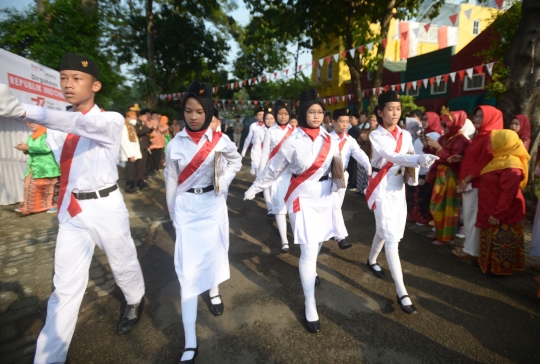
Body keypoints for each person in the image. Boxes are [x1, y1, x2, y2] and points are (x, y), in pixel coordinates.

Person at [0, 53, 145, 363]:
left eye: (76, 79)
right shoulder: (56, 125)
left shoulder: (111, 120)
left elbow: (76, 123)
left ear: (96, 85)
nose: (68, 84)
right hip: (72, 208)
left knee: (122, 261)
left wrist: (24, 109)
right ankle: (49, 358)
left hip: (106, 205)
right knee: (64, 287)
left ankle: (134, 299)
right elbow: (56, 141)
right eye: (63, 78)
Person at [245, 89, 340, 333]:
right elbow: (272, 170)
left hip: (324, 197)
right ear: (303, 113)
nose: (317, 116)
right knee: (308, 250)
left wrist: (342, 183)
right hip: (302, 198)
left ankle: (313, 274)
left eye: (320, 112)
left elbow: (338, 166)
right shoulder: (293, 141)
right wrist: (255, 188)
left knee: (318, 244)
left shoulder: (330, 139)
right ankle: (310, 303)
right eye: (312, 112)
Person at [164, 81, 241, 363]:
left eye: (199, 111)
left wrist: (223, 180)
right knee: (187, 271)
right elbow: (171, 182)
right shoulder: (174, 144)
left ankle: (214, 291)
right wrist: (174, 216)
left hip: (212, 205)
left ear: (208, 112)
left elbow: (235, 161)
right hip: (186, 209)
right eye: (188, 110)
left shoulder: (220, 140)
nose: (193, 116)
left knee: (214, 253)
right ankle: (190, 340)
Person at [365, 90, 438, 315]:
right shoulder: (376, 136)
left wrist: (414, 176)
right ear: (380, 112)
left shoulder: (406, 134)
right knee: (391, 239)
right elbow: (394, 157)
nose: (395, 113)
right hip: (381, 188)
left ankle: (370, 260)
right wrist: (417, 158)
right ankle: (402, 291)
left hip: (398, 188)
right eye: (390, 109)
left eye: (398, 109)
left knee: (387, 229)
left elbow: (406, 160)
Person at [452, 106, 503, 260]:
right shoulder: (480, 135)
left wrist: (467, 179)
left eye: (481, 116)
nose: (477, 119)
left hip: (477, 184)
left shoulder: (491, 137)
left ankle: (472, 251)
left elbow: (483, 163)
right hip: (470, 182)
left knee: (473, 216)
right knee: (468, 215)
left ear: (491, 118)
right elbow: (475, 158)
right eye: (476, 116)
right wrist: (461, 159)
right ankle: (469, 245)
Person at [476, 130, 529, 276]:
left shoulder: (511, 165)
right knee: (492, 237)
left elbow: (508, 194)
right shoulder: (499, 159)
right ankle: (487, 265)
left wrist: (498, 213)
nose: (491, 144)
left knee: (502, 241)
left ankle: (499, 270)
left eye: (494, 141)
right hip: (491, 208)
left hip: (503, 212)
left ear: (504, 143)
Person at [425, 110, 470, 246]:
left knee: (448, 207)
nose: (444, 127)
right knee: (436, 204)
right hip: (440, 174)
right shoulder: (445, 137)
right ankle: (439, 232)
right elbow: (434, 154)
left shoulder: (461, 140)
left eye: (446, 124)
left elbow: (451, 159)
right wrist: (427, 145)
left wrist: (438, 146)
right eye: (443, 124)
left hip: (450, 176)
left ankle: (446, 238)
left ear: (456, 124)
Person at [330, 108, 371, 249]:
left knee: (337, 206)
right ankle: (340, 237)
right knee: (334, 206)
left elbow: (358, 153)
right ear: (333, 122)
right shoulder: (327, 138)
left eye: (347, 122)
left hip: (342, 175)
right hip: (328, 176)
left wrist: (367, 165)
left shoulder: (350, 140)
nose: (345, 125)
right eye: (341, 121)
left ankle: (332, 230)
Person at [258, 100, 296, 253]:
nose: (282, 116)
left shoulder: (295, 131)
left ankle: (297, 235)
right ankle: (284, 241)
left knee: (293, 207)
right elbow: (265, 154)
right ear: (275, 114)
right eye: (279, 113)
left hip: (292, 174)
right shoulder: (270, 131)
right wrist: (262, 176)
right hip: (276, 175)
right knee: (279, 207)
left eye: (286, 113)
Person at [14, 122, 60, 215]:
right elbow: (29, 151)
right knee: (30, 186)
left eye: (34, 123)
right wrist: (24, 149)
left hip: (47, 166)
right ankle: (30, 207)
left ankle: (52, 205)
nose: (31, 125)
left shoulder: (48, 135)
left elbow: (46, 148)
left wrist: (27, 147)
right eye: (29, 123)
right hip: (34, 166)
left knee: (48, 187)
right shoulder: (31, 137)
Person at [406, 112, 442, 226]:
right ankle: (416, 215)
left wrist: (429, 172)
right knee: (417, 194)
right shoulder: (422, 133)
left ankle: (424, 218)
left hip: (427, 170)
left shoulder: (435, 136)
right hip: (418, 168)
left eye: (427, 119)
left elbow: (434, 155)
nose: (424, 122)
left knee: (424, 195)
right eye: (423, 119)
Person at [250, 107, 276, 215]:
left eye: (272, 118)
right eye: (267, 118)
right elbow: (256, 149)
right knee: (265, 184)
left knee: (274, 185)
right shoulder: (259, 132)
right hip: (262, 161)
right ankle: (270, 207)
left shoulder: (279, 131)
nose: (270, 120)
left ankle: (275, 204)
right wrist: (254, 164)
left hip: (275, 162)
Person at [120, 110, 143, 193]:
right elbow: (123, 142)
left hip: (135, 153)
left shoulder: (131, 126)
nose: (135, 119)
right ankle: (129, 187)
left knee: (134, 171)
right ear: (128, 118)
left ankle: (133, 186)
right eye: (133, 117)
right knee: (130, 172)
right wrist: (130, 155)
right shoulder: (124, 127)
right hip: (129, 154)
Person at [357, 114, 378, 193]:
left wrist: (367, 139)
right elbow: (358, 140)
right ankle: (360, 189)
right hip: (363, 153)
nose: (372, 122)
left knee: (368, 173)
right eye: (371, 120)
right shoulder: (364, 130)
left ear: (377, 122)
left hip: (372, 154)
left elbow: (376, 144)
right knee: (361, 172)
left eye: (374, 120)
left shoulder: (377, 132)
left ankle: (367, 190)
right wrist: (362, 139)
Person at [135, 107, 152, 189]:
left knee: (143, 165)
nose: (146, 118)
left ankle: (141, 179)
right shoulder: (138, 124)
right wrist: (149, 128)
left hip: (144, 146)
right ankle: (138, 181)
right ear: (140, 117)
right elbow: (140, 131)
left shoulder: (142, 124)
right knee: (140, 165)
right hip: (140, 146)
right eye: (145, 116)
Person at [148, 110, 165, 174]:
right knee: (152, 157)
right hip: (153, 143)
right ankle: (151, 169)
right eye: (155, 115)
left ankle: (156, 168)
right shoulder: (150, 122)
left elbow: (162, 130)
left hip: (159, 143)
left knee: (158, 156)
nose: (157, 117)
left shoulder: (160, 123)